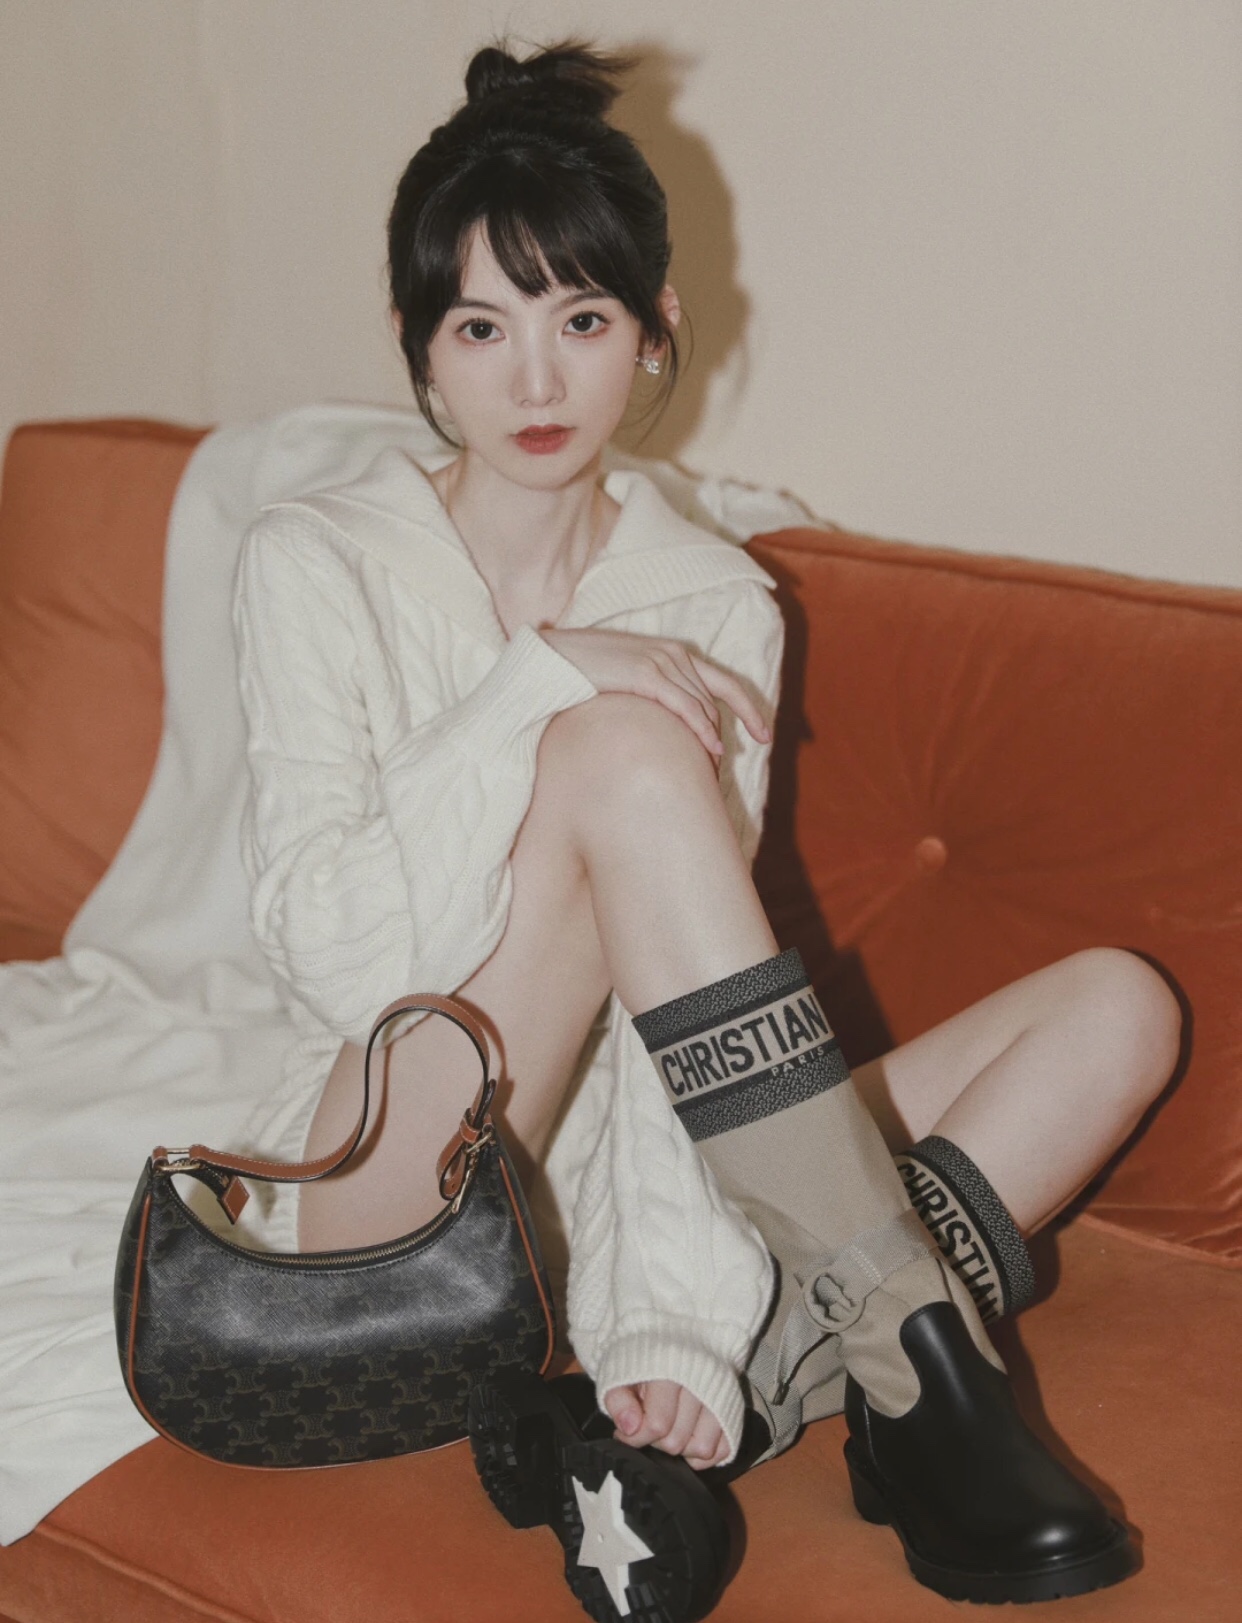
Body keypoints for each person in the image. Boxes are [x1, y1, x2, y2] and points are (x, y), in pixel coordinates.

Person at [231, 40, 1181, 1623]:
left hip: (653, 1158)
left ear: (654, 327)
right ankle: (908, 1373)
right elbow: (338, 962)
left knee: (1117, 1008)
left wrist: (662, 1316)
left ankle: (693, 1389)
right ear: (418, 349)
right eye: (481, 328)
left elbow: (676, 1018)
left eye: (582, 321)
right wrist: (535, 686)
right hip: (396, 1190)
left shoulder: (715, 604)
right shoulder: (312, 561)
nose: (537, 384)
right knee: (611, 745)